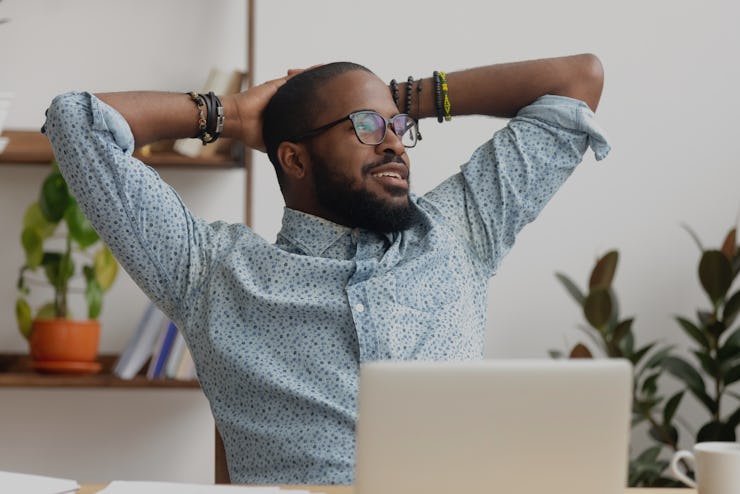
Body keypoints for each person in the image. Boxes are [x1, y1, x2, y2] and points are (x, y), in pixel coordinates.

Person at [42, 53, 610, 484]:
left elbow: (578, 80)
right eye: (366, 126)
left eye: (398, 128)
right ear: (293, 157)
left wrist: (400, 99)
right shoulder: (211, 272)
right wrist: (234, 114)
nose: (396, 145)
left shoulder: (458, 231)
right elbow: (77, 122)